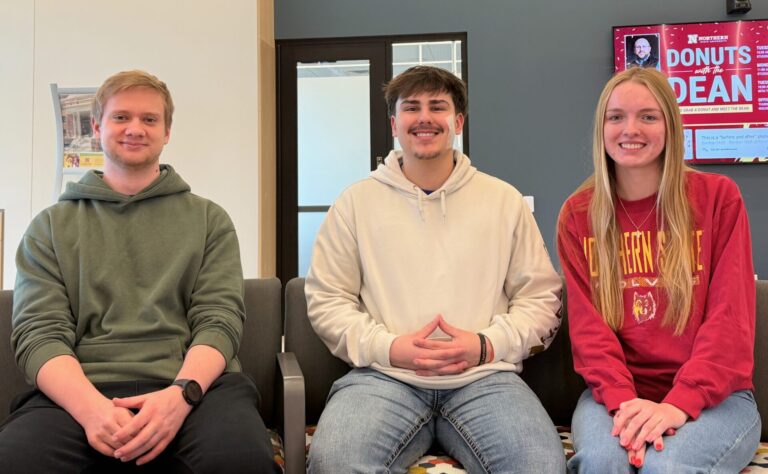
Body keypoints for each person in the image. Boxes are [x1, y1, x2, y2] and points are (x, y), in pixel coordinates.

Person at [0, 70, 279, 473]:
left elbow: (219, 322)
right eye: (121, 117)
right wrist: (92, 410)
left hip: (192, 388)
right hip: (83, 392)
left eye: (149, 119)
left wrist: (179, 397)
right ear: (97, 126)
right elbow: (38, 335)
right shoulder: (49, 228)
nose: (135, 129)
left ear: (167, 132)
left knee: (240, 460)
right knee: (16, 461)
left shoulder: (209, 220)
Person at [305, 65, 565, 473]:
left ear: (457, 121)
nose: (424, 117)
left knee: (539, 464)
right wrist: (389, 347)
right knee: (334, 461)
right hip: (382, 378)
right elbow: (327, 301)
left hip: (486, 379)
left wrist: (484, 345)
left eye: (438, 106)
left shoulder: (503, 201)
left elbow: (542, 300)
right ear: (395, 124)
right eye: (412, 108)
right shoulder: (354, 204)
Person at [557, 67, 761, 472]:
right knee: (601, 462)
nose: (630, 129)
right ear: (602, 127)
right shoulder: (578, 214)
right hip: (615, 397)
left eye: (647, 116)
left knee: (665, 468)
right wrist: (625, 403)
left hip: (717, 398)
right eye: (616, 117)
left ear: (670, 125)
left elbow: (729, 321)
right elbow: (588, 333)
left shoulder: (719, 198)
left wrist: (678, 404)